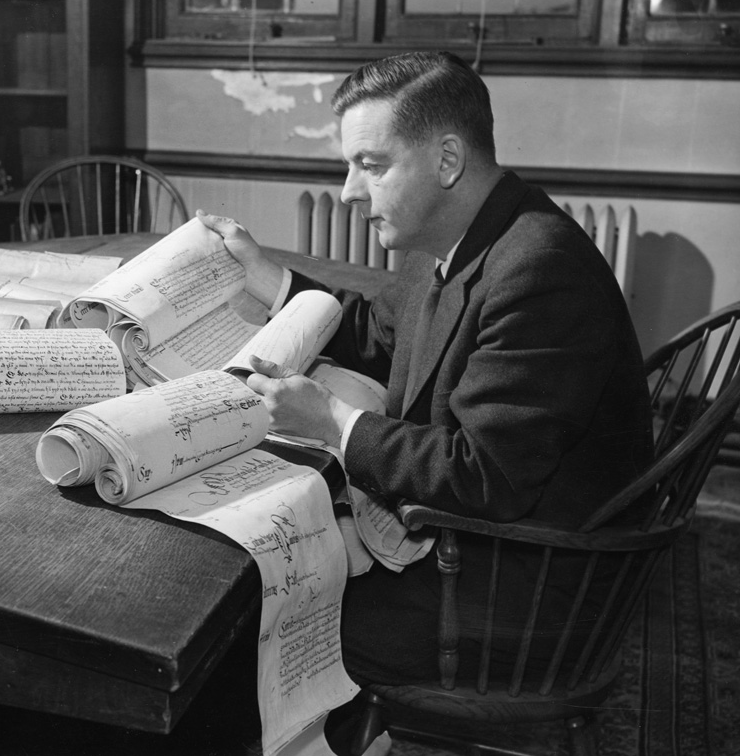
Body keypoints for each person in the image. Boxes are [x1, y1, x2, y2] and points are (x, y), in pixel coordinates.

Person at [197, 51, 654, 707]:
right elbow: (382, 336)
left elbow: (483, 477)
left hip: (520, 589)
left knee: (244, 627)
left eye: (372, 165)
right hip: (477, 547)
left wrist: (332, 421)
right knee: (270, 569)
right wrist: (265, 275)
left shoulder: (540, 271)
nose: (349, 192)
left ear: (447, 161)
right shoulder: (460, 234)